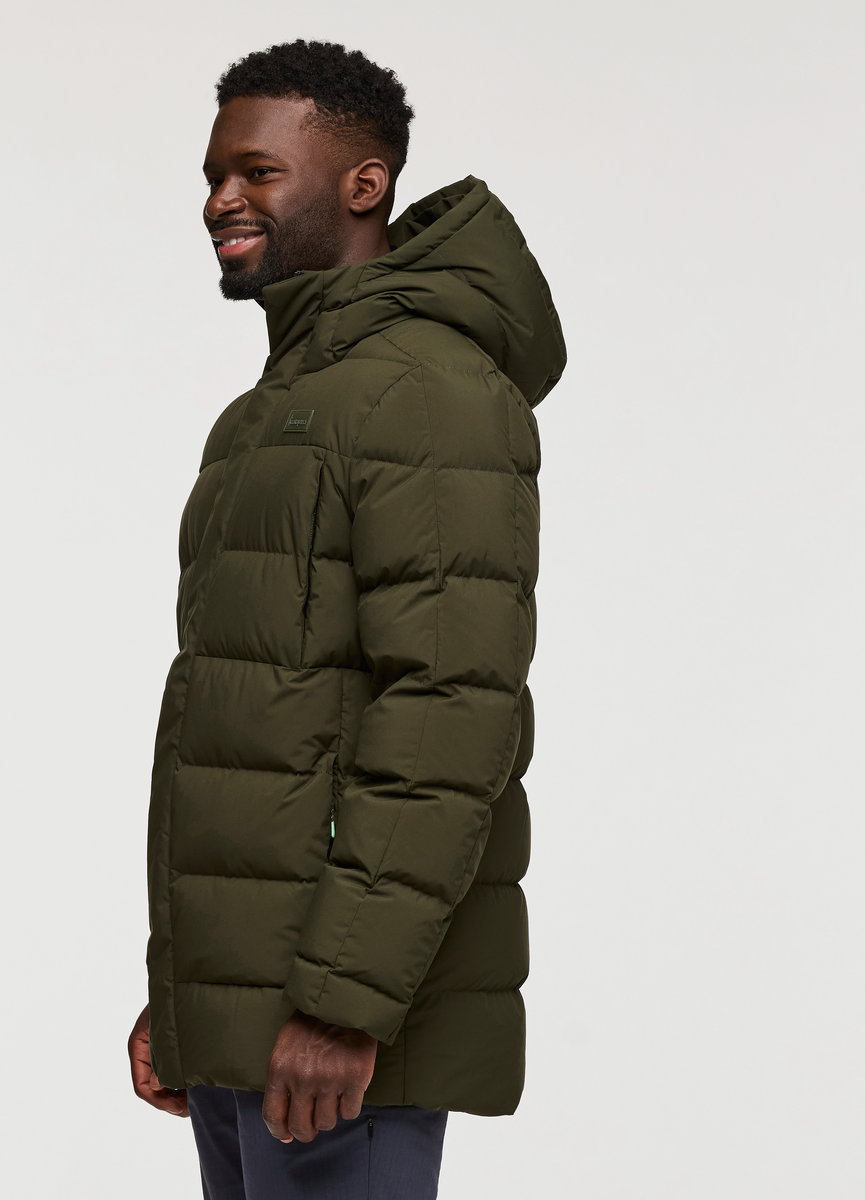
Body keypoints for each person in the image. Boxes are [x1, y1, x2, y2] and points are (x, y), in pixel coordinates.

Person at [127, 39, 566, 1200]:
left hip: (339, 1036)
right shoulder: (275, 408)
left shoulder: (426, 390)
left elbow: (448, 715)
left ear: (365, 183)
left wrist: (344, 1001)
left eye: (258, 171)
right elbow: (254, 722)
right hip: (254, 1021)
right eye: (214, 174)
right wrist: (188, 995)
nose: (221, 199)